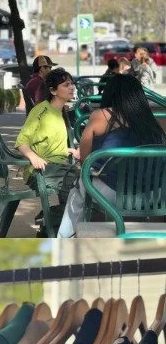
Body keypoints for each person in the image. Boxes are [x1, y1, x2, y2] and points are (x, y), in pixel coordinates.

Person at [57, 73, 166, 237]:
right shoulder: (151, 120)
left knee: (79, 187)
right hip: (153, 196)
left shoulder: (100, 115)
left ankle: (64, 242)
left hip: (111, 194)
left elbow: (85, 157)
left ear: (109, 93)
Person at [16, 68, 80, 173]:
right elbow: (21, 141)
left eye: (72, 84)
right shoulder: (42, 111)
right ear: (53, 91)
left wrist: (70, 150)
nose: (72, 87)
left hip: (58, 166)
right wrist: (33, 157)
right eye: (66, 85)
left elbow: (48, 146)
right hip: (42, 170)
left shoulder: (60, 110)